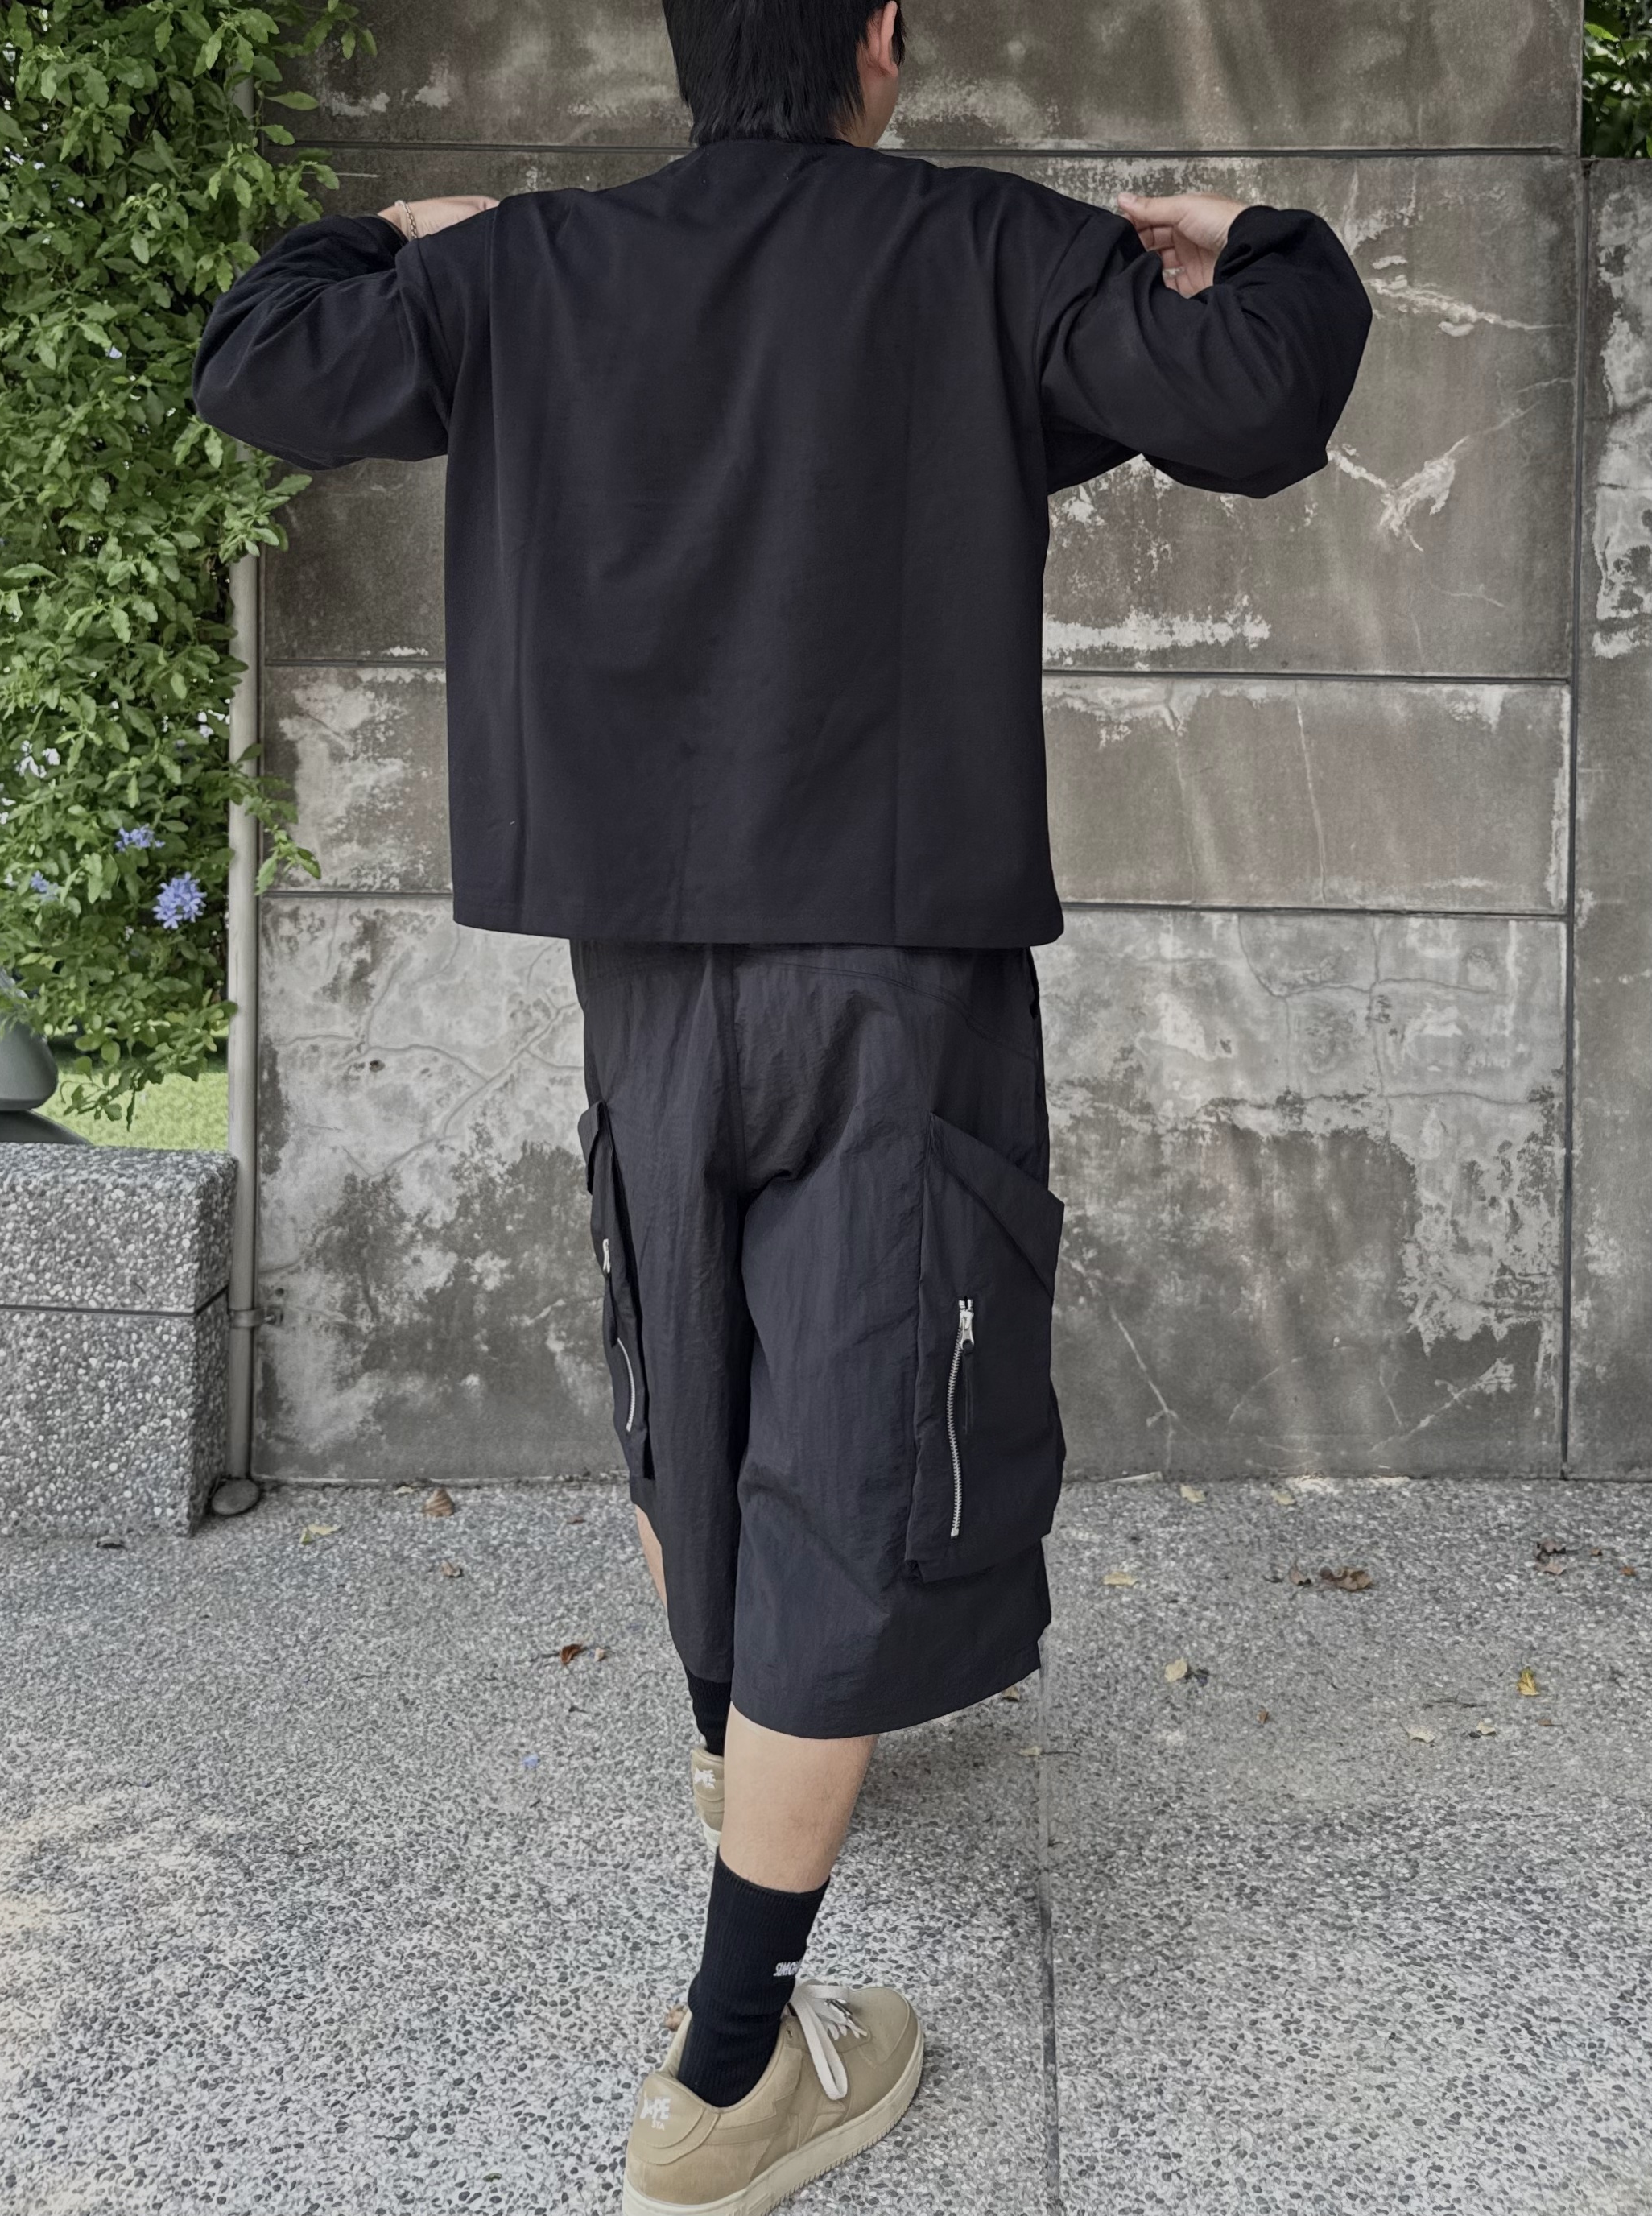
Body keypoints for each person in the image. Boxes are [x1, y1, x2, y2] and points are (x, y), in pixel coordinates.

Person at [192, 1, 1372, 2205]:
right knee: (852, 1435)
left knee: (692, 1375)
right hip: (890, 969)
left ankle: (745, 1761)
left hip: (642, 967)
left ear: (685, 49)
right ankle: (736, 2069)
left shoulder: (536, 270)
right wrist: (1262, 238)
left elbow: (258, 357)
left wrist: (393, 231)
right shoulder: (988, 252)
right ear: (879, 45)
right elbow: (1259, 395)